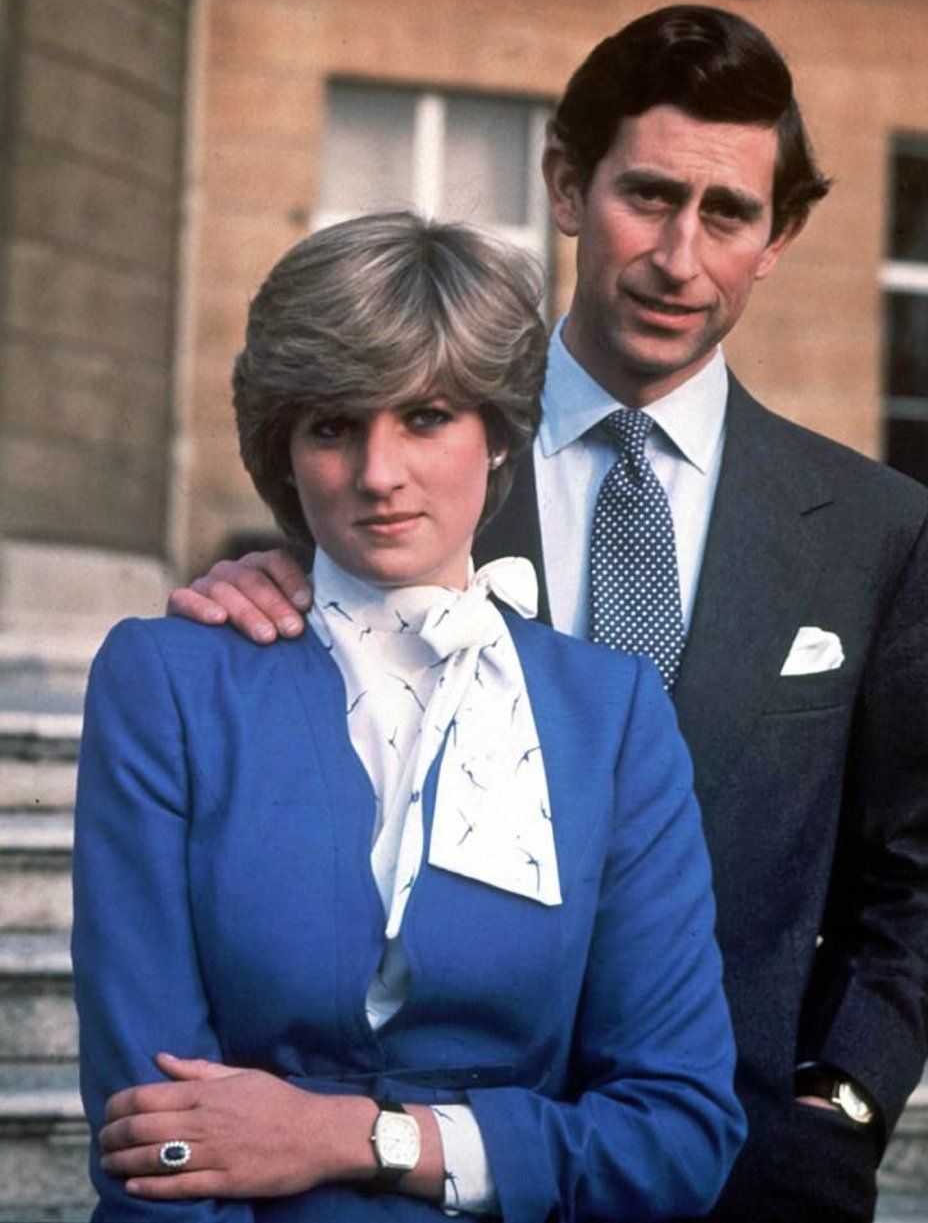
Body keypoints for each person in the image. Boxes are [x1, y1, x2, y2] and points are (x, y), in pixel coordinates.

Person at [169, 6, 928, 1222]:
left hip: (748, 1169)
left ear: (780, 235)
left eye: (728, 215)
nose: (678, 258)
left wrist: (842, 1102)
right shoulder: (406, 476)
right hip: (415, 1164)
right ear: (564, 185)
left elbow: (916, 875)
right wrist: (256, 584)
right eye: (646, 197)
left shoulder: (880, 532)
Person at [71, 211, 745, 1222]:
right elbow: (153, 1139)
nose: (378, 475)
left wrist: (358, 1138)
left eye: (425, 417)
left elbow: (677, 1138)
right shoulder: (169, 681)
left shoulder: (609, 716)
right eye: (334, 426)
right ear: (283, 450)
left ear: (498, 433)